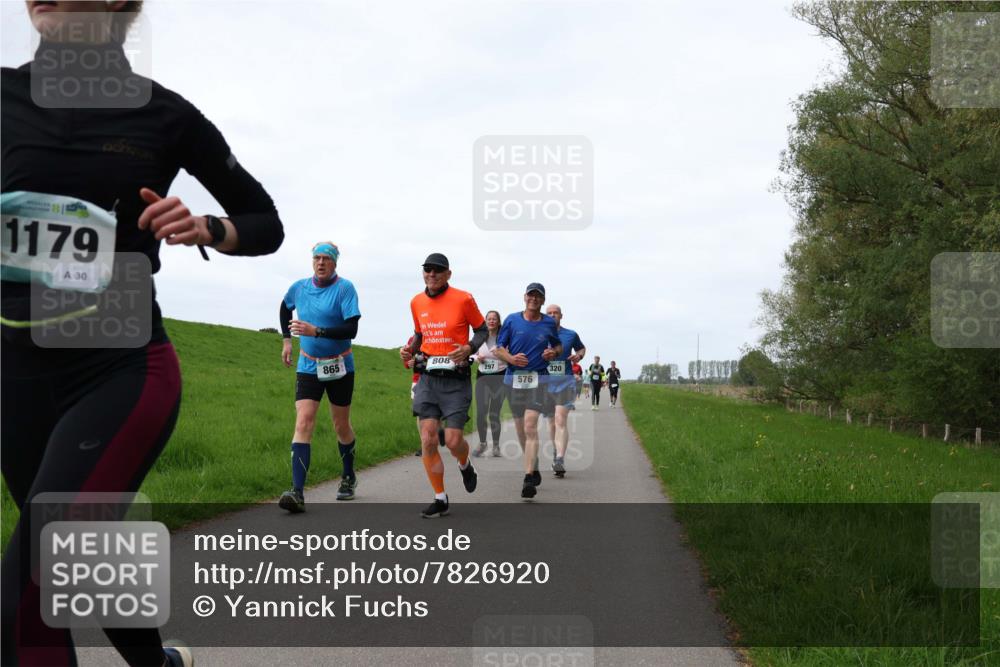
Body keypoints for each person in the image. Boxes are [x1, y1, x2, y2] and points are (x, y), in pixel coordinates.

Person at [1, 3, 284, 666]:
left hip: (119, 370)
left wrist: (208, 228)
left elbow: (264, 220)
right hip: (15, 378)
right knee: (75, 558)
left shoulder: (165, 115)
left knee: (23, 598)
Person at [400, 253, 488, 518]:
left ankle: (464, 463)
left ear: (448, 274)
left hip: (455, 379)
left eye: (438, 270)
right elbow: (419, 334)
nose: (432, 274)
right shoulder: (416, 301)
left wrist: (469, 347)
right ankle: (440, 498)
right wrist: (409, 350)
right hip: (427, 377)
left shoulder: (464, 298)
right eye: (428, 269)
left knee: (452, 440)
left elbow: (482, 330)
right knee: (427, 437)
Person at [278, 242, 361, 510]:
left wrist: (318, 332)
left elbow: (351, 328)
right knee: (303, 423)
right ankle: (297, 492)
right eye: (317, 258)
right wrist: (287, 340)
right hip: (308, 365)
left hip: (339, 365)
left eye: (326, 258)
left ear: (335, 263)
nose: (321, 263)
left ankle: (348, 476)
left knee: (341, 426)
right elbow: (284, 307)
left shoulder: (344, 288)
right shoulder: (299, 287)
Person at [494, 284, 562, 499]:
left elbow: (558, 346)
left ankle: (528, 477)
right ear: (524, 297)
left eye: (538, 296)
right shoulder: (512, 320)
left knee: (530, 424)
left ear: (542, 300)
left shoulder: (549, 323)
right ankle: (533, 464)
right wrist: (511, 359)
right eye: (531, 295)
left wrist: (553, 352)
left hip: (538, 379)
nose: (533, 298)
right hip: (513, 379)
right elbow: (498, 348)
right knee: (521, 429)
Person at [542, 304, 585, 477]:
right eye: (549, 313)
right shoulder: (539, 334)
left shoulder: (570, 334)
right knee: (551, 422)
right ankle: (556, 450)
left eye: (556, 313)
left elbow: (581, 348)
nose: (553, 315)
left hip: (565, 382)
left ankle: (560, 458)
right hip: (545, 384)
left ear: (561, 315)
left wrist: (579, 356)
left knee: (560, 419)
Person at [472, 310, 508, 458]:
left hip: (500, 376)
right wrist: (476, 358)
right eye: (489, 319)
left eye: (494, 319)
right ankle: (482, 444)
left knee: (494, 412)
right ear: (485, 321)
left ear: (499, 322)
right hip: (483, 377)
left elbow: (511, 354)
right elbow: (471, 352)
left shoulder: (504, 337)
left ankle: (496, 446)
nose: (491, 321)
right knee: (481, 411)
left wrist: (503, 355)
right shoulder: (480, 337)